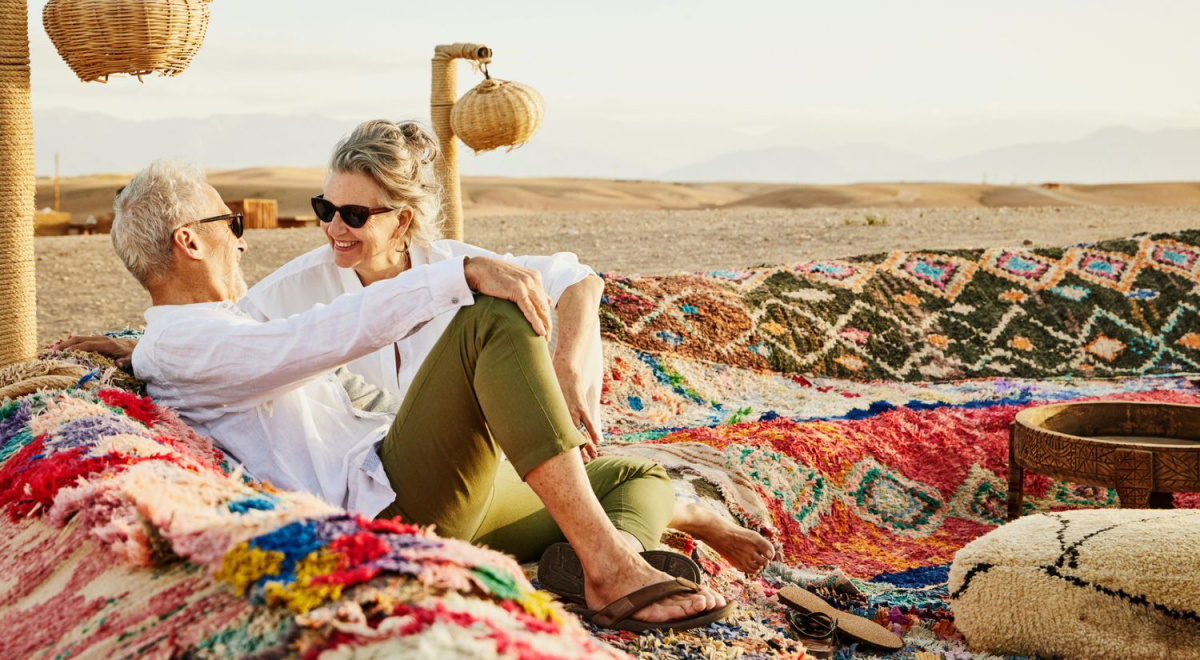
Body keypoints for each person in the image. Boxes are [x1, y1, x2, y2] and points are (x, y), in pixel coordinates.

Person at [60, 120, 775, 579]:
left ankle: (638, 532)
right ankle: (611, 561)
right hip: (390, 493)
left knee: (635, 476)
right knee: (489, 316)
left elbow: (565, 274)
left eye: (352, 214)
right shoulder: (243, 320)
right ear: (190, 240)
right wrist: (460, 280)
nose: (246, 236)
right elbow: (304, 338)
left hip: (445, 467)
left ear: (402, 220)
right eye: (323, 211)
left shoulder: (210, 330)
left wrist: (570, 347)